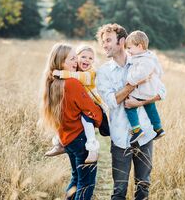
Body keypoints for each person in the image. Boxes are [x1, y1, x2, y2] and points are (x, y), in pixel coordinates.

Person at [96, 23, 161, 200]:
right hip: (119, 138)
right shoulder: (103, 72)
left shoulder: (143, 61)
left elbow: (161, 92)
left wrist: (140, 102)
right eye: (103, 42)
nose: (105, 45)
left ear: (122, 41)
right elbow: (111, 101)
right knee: (118, 191)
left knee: (143, 187)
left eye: (109, 40)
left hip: (145, 135)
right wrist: (135, 83)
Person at [40, 43, 102, 199]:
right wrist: (100, 118)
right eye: (72, 59)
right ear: (61, 62)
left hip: (67, 139)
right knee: (86, 183)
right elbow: (92, 110)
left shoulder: (52, 82)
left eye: (76, 58)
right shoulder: (72, 83)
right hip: (80, 139)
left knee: (76, 179)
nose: (76, 62)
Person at [48, 46, 108, 163]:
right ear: (77, 58)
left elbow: (78, 77)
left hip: (93, 103)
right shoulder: (74, 72)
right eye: (83, 57)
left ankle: (92, 148)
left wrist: (60, 73)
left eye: (90, 58)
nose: (87, 60)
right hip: (81, 104)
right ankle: (59, 143)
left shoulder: (90, 73)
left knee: (87, 121)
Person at [125, 30, 166, 144]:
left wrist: (130, 80)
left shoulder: (144, 60)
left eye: (130, 48)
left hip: (142, 91)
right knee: (151, 109)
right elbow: (160, 72)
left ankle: (137, 129)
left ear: (139, 46)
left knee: (129, 107)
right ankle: (158, 128)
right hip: (150, 91)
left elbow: (141, 74)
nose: (128, 51)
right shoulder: (150, 56)